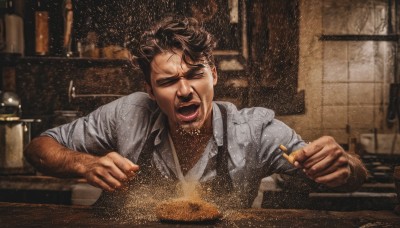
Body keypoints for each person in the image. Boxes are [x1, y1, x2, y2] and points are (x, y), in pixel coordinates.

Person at [24, 16, 367, 208]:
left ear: (214, 75)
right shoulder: (127, 114)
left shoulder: (254, 131)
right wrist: (87, 163)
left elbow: (349, 175)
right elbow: (38, 148)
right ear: (150, 89)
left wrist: (344, 164)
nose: (185, 90)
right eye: (169, 81)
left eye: (195, 75)